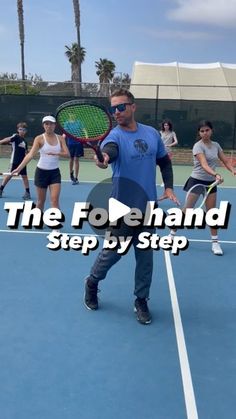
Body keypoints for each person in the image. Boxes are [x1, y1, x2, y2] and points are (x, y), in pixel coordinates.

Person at [84, 88, 179, 325]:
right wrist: (103, 158)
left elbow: (164, 162)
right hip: (122, 209)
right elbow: (109, 153)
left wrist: (168, 187)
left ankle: (141, 299)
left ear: (133, 106)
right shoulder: (113, 136)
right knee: (113, 253)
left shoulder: (151, 134)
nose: (116, 112)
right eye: (113, 108)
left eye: (121, 107)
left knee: (145, 258)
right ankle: (92, 281)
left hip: (148, 208)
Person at [170, 120, 236, 256]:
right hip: (196, 181)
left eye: (207, 130)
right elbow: (204, 165)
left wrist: (232, 170)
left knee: (212, 213)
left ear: (211, 131)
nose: (205, 133)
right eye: (202, 131)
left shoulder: (216, 145)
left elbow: (224, 160)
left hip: (211, 184)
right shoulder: (197, 146)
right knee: (187, 211)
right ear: (199, 133)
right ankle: (171, 234)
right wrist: (216, 174)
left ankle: (215, 243)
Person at [11, 115, 69, 210]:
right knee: (41, 201)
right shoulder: (39, 138)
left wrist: (56, 153)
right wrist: (18, 168)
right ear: (43, 125)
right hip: (41, 173)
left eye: (51, 124)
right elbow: (30, 155)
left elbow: (67, 154)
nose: (49, 126)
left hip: (54, 173)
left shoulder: (60, 138)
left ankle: (54, 222)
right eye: (46, 124)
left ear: (55, 125)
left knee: (55, 201)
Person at [0, 122, 31, 199]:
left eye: (23, 130)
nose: (22, 131)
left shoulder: (25, 142)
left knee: (24, 177)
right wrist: (0, 142)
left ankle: (27, 193)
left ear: (26, 131)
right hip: (14, 161)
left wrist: (29, 154)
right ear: (18, 130)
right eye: (20, 129)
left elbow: (26, 152)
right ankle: (0, 190)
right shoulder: (16, 136)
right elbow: (8, 139)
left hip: (22, 163)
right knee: (9, 175)